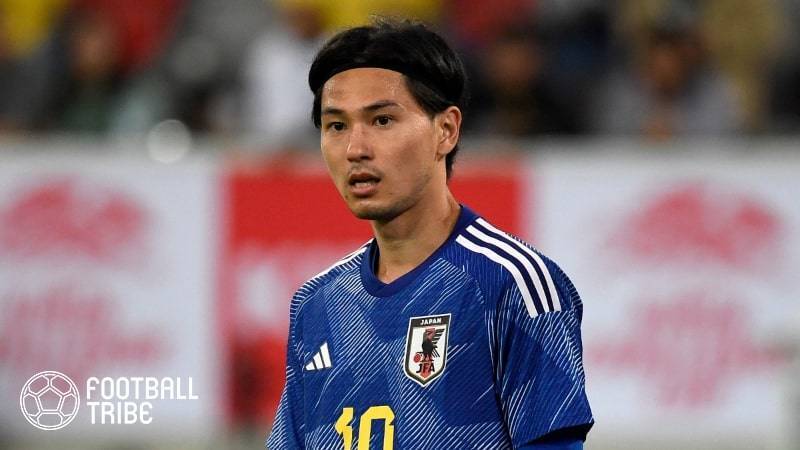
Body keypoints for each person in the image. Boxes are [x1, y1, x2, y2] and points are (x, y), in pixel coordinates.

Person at [267, 19, 593, 450]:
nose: (355, 149)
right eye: (337, 126)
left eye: (382, 120)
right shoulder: (316, 303)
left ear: (446, 131)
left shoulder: (513, 285)